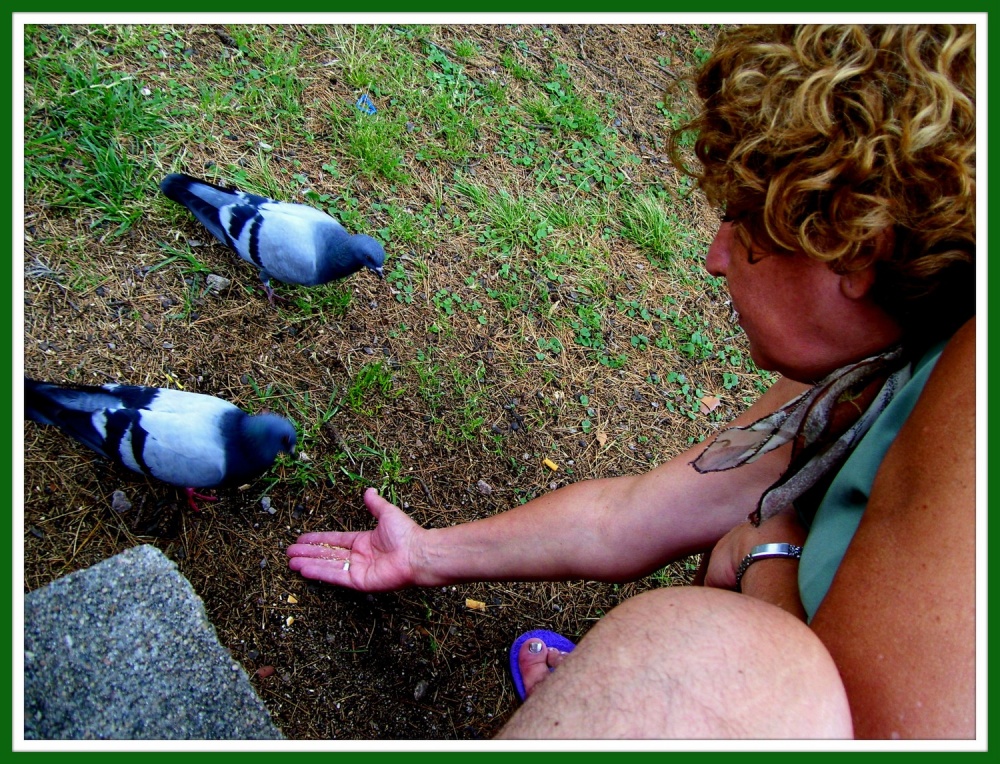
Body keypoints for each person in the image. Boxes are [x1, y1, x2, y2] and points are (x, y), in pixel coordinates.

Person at [287, 24, 976, 739]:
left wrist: (768, 557)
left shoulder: (970, 409)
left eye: (744, 223)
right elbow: (636, 515)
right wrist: (427, 553)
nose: (715, 258)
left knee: (701, 652)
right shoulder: (868, 369)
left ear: (854, 246)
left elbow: (870, 735)